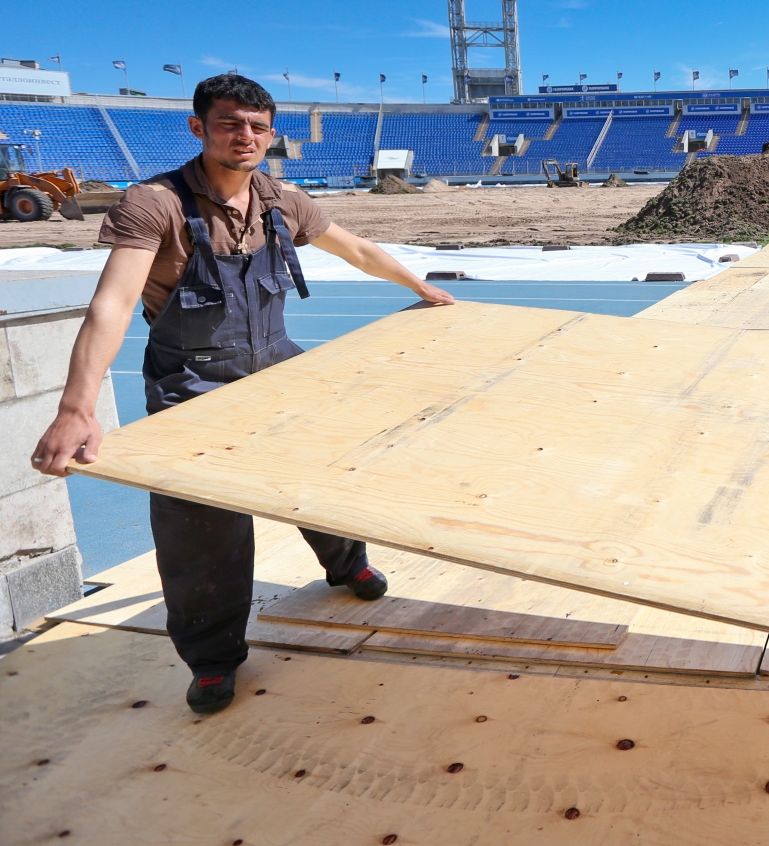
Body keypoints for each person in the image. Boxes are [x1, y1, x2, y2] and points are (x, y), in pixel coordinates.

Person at [31, 74, 455, 715]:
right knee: (201, 526)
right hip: (190, 384)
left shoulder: (282, 199)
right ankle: (211, 660)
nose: (246, 136)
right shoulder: (155, 203)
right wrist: (76, 409)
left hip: (278, 371)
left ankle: (346, 566)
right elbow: (113, 303)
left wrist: (419, 288)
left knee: (319, 476)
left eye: (258, 126)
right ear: (198, 127)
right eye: (230, 123)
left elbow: (359, 249)